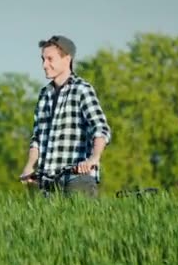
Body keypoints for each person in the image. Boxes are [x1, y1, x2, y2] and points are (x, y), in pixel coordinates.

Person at [19, 35, 112, 198]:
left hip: (77, 179)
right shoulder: (44, 94)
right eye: (43, 59)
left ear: (67, 58)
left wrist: (93, 159)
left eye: (49, 59)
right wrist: (29, 166)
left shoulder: (82, 89)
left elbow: (101, 128)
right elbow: (37, 138)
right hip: (48, 182)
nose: (44, 65)